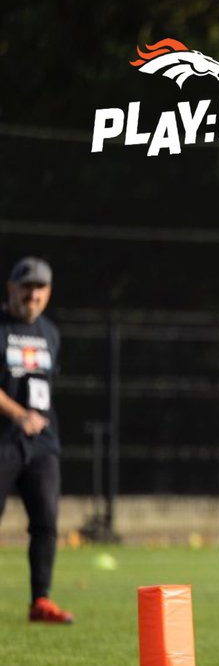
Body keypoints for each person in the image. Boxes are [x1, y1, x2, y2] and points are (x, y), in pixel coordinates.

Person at [0, 257, 73, 625]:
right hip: (3, 440)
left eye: (40, 288)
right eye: (27, 287)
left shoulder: (50, 333)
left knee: (46, 521)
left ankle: (40, 601)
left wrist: (35, 422)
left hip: (43, 443)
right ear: (12, 288)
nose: (33, 294)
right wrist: (17, 414)